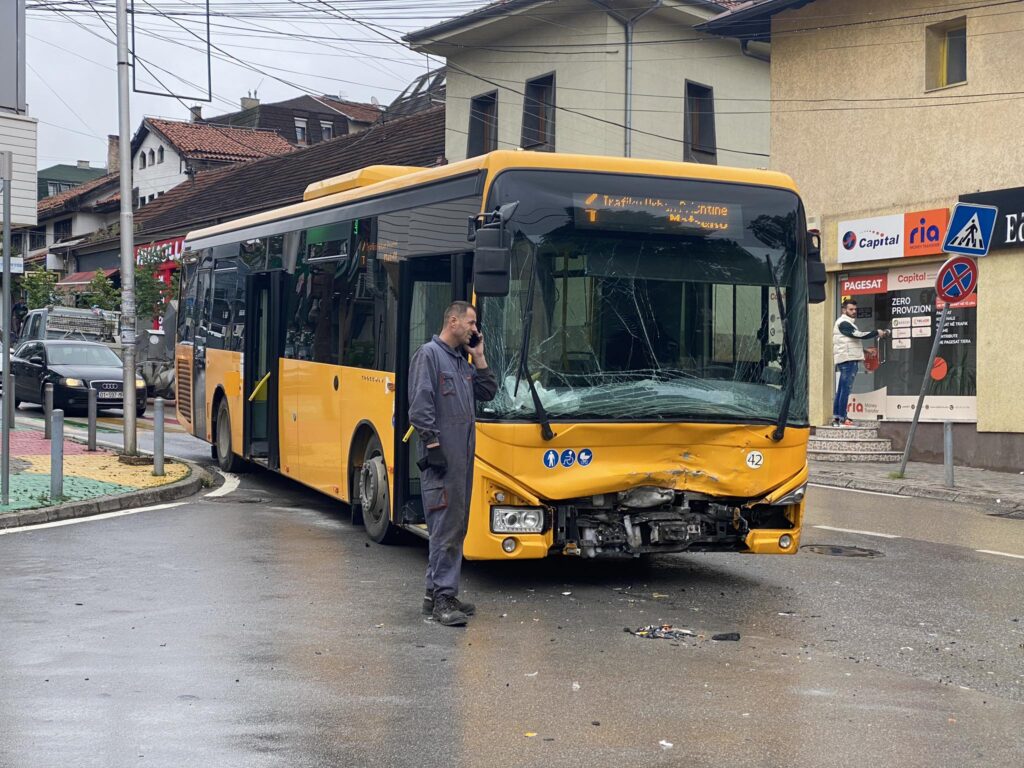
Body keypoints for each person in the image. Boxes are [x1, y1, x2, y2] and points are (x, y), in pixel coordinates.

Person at [408, 301, 498, 627]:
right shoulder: (429, 355)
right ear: (454, 321)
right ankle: (444, 599)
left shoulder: (461, 361)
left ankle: (436, 595)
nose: (475, 329)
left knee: (455, 526)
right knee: (444, 529)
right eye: (471, 323)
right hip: (442, 461)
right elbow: (419, 404)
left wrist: (480, 356)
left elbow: (488, 391)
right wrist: (432, 444)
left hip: (461, 461)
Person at [832, 298, 888, 426]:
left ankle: (837, 417)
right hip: (848, 360)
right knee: (845, 389)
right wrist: (877, 332)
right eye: (851, 309)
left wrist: (864, 351)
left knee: (841, 389)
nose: (854, 312)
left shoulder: (845, 323)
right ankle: (842, 418)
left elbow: (849, 342)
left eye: (855, 309)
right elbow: (858, 335)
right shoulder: (844, 323)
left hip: (846, 358)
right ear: (844, 310)